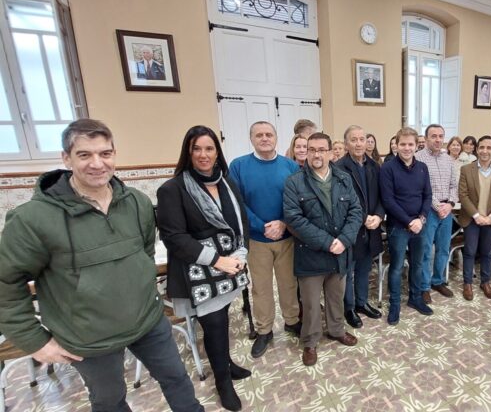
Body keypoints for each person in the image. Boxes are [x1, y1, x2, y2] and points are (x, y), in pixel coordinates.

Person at [0, 119, 203, 412]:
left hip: (148, 322)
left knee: (178, 381)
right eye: (85, 155)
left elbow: (143, 255)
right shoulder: (33, 218)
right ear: (66, 158)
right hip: (90, 339)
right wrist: (34, 341)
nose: (97, 163)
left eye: (105, 153)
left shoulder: (136, 203)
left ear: (114, 155)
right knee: (110, 402)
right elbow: (6, 282)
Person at [157, 126, 251, 411]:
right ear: (188, 152)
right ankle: (223, 383)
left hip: (230, 265)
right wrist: (216, 259)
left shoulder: (227, 183)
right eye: (197, 148)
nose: (203, 155)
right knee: (213, 326)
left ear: (217, 152)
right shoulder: (173, 189)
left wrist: (241, 251)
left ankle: (227, 363)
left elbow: (241, 220)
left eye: (209, 148)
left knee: (223, 319)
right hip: (200, 271)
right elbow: (174, 237)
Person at [283, 132, 363, 366]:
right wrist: (328, 242)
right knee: (309, 303)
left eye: (321, 150)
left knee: (336, 297)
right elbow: (294, 219)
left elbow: (356, 211)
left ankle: (337, 331)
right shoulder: (294, 182)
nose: (316, 154)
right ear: (306, 152)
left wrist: (344, 240)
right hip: (311, 254)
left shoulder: (343, 178)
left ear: (330, 152)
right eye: (312, 150)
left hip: (340, 253)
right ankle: (310, 341)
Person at [229, 121, 302, 359]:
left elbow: (297, 200)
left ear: (276, 138)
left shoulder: (290, 166)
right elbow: (237, 204)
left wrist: (283, 223)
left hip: (287, 237)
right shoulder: (238, 166)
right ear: (251, 139)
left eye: (268, 134)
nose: (264, 138)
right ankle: (264, 330)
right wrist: (263, 226)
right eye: (259, 135)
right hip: (257, 240)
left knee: (289, 284)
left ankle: (292, 321)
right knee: (260, 288)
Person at [380, 127, 433, 325]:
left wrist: (421, 219)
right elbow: (388, 200)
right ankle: (394, 304)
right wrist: (409, 221)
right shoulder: (388, 168)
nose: (407, 148)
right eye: (403, 144)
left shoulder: (422, 167)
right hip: (398, 226)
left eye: (411, 144)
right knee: (396, 266)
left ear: (416, 145)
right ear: (396, 144)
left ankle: (415, 298)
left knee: (419, 264)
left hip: (420, 225)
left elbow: (428, 195)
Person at [335, 125, 385, 328]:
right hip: (350, 228)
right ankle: (349, 308)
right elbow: (341, 201)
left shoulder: (374, 166)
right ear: (346, 144)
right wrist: (364, 217)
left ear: (367, 142)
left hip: (372, 227)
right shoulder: (338, 167)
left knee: (365, 267)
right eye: (353, 140)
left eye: (361, 139)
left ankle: (362, 302)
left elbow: (384, 195)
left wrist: (379, 216)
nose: (358, 143)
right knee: (349, 270)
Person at [457, 136, 491, 300]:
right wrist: (477, 215)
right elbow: (463, 195)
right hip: (472, 219)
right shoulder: (467, 169)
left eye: (488, 148)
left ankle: (485, 281)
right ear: (476, 149)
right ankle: (467, 283)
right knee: (470, 252)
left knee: (487, 253)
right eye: (481, 147)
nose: (485, 151)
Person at [415, 124, 458, 303]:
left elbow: (454, 185)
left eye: (441, 136)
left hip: (446, 211)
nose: (438, 139)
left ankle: (438, 280)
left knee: (443, 248)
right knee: (426, 251)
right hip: (428, 211)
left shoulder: (448, 159)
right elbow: (421, 188)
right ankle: (424, 286)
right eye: (434, 136)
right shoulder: (418, 158)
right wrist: (437, 206)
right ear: (426, 138)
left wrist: (450, 204)